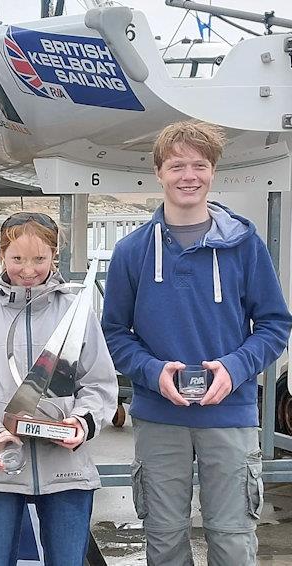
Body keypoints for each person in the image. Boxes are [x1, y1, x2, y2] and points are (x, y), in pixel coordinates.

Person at [101, 120, 292, 565]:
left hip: (230, 416)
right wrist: (151, 372)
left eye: (199, 165)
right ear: (159, 173)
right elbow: (114, 333)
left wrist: (235, 367)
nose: (189, 175)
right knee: (164, 542)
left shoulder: (245, 246)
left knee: (232, 540)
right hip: (158, 417)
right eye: (177, 165)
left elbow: (273, 324)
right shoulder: (132, 252)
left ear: (213, 172)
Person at [0, 211, 118, 566]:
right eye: (17, 258)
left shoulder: (78, 312)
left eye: (39, 258)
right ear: (0, 255)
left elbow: (99, 383)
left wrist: (82, 423)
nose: (28, 269)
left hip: (67, 467)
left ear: (55, 255)